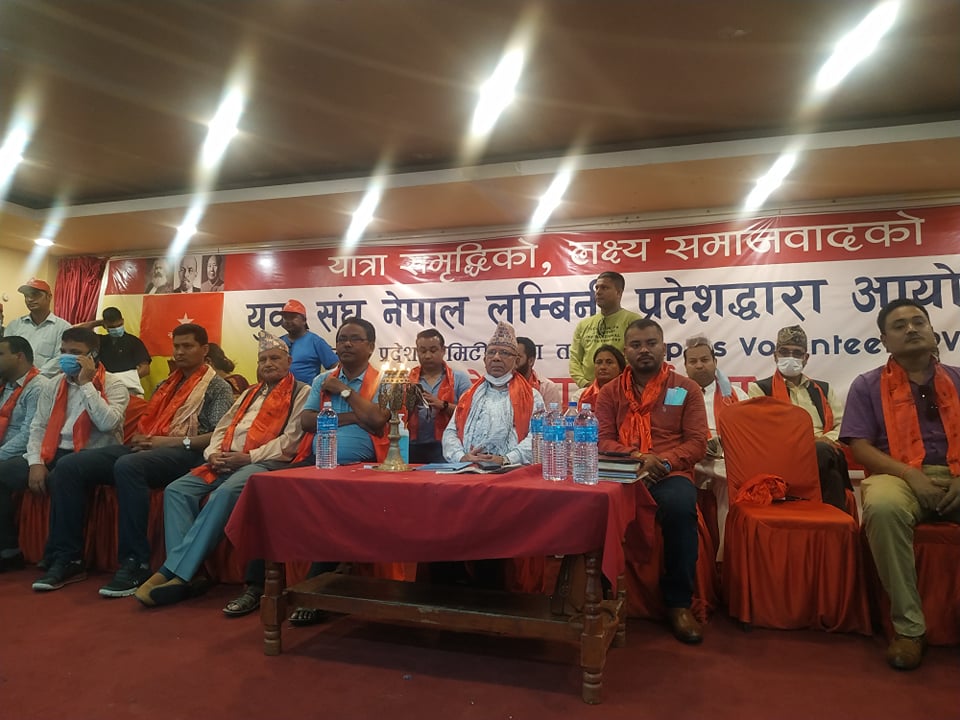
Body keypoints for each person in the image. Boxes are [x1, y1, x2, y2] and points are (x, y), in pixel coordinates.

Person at [40, 324, 235, 596]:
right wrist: (147, 440)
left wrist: (165, 442)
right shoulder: (165, 384)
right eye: (176, 346)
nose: (179, 352)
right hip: (149, 448)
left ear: (204, 350)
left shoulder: (217, 387)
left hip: (189, 453)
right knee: (69, 466)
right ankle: (68, 557)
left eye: (187, 346)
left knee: (129, 465)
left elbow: (219, 435)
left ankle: (136, 562)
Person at [223, 318, 391, 621]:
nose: (346, 344)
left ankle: (314, 591)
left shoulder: (382, 381)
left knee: (333, 504)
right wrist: (357, 416)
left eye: (354, 339)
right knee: (266, 494)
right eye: (341, 339)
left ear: (370, 346)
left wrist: (343, 391)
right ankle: (256, 586)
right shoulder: (322, 379)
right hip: (317, 461)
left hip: (360, 468)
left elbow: (379, 420)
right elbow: (308, 421)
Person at [134, 331, 313, 608]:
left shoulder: (303, 392)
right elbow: (222, 428)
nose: (268, 364)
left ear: (288, 362)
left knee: (225, 493)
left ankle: (173, 572)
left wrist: (247, 457)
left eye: (275, 358)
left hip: (264, 463)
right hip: (226, 459)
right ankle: (191, 575)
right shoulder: (249, 393)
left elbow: (290, 442)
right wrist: (213, 454)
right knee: (177, 490)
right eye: (263, 359)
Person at [841, 299, 960, 671]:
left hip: (956, 473)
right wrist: (910, 475)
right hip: (898, 476)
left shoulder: (958, 379)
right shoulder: (866, 385)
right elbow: (860, 446)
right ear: (884, 341)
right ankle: (909, 630)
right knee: (882, 507)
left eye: (918, 321)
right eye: (899, 325)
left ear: (932, 330)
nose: (911, 329)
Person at [595, 318, 707, 644]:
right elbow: (602, 439)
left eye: (650, 343)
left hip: (669, 472)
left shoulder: (686, 389)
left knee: (681, 507)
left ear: (664, 347)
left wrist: (665, 461)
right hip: (623, 471)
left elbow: (697, 442)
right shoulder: (610, 392)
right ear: (626, 351)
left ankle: (678, 603)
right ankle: (600, 595)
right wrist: (638, 456)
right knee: (590, 504)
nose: (644, 350)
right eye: (636, 345)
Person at [25, 328, 129, 591]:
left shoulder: (114, 384)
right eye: (63, 351)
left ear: (93, 356)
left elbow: (107, 424)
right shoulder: (52, 384)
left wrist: (86, 384)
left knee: (65, 469)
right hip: (56, 450)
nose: (66, 358)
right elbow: (38, 427)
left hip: (101, 454)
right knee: (10, 471)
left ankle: (69, 558)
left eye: (76, 353)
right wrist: (35, 463)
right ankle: (11, 550)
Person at [748, 325, 848, 510]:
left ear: (806, 358)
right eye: (784, 352)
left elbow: (842, 425)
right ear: (775, 355)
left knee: (824, 453)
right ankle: (836, 520)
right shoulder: (759, 389)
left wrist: (827, 440)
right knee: (830, 471)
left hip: (825, 451)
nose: (790, 357)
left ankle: (831, 520)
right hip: (783, 455)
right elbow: (762, 431)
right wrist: (811, 444)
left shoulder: (824, 389)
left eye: (797, 353)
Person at [442, 321, 545, 467]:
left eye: (504, 353)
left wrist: (506, 459)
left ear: (516, 362)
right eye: (491, 352)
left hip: (511, 472)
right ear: (485, 360)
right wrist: (461, 457)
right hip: (469, 469)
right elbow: (451, 432)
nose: (496, 357)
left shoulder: (532, 397)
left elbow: (538, 435)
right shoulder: (468, 396)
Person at [0, 336, 50, 572]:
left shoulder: (38, 386)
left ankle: (9, 551)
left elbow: (29, 435)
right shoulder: (6, 384)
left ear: (18, 356)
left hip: (27, 453)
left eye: (1, 354)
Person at [406, 329, 471, 464]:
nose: (427, 356)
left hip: (447, 446)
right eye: (423, 351)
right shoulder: (407, 380)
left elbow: (470, 414)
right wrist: (408, 405)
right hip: (411, 445)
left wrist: (443, 405)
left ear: (443, 350)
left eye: (433, 350)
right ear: (417, 352)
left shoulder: (459, 379)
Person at [569, 271, 640, 388]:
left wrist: (620, 385)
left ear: (619, 292)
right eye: (596, 288)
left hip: (623, 389)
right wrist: (585, 384)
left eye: (604, 288)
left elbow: (637, 358)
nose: (598, 292)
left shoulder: (633, 321)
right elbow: (574, 359)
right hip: (589, 390)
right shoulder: (583, 325)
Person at [683, 334, 748, 454]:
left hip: (730, 459)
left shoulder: (737, 395)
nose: (699, 366)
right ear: (685, 366)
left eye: (704, 360)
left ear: (715, 362)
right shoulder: (675, 396)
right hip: (688, 460)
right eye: (693, 361)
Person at [75, 307, 152, 397]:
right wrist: (98, 323)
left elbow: (145, 369)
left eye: (119, 325)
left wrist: (115, 379)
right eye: (112, 327)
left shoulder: (134, 342)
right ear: (105, 326)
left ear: (122, 321)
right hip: (104, 389)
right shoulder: (100, 340)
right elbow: (75, 332)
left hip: (128, 389)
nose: (116, 329)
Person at [2, 279, 72, 376]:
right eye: (26, 296)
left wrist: (33, 377)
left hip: (47, 382)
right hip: (14, 380)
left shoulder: (63, 328)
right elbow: (5, 354)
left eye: (35, 294)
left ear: (49, 297)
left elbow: (60, 358)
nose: (29, 299)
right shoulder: (14, 325)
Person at [278, 299, 338, 384]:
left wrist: (322, 385)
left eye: (292, 317)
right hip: (280, 390)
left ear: (304, 321)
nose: (288, 321)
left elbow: (335, 367)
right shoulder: (278, 342)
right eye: (285, 317)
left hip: (307, 391)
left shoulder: (316, 341)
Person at [516, 336, 562, 409]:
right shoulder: (501, 385)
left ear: (531, 361)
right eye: (510, 356)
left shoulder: (547, 388)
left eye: (518, 357)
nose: (513, 362)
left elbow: (553, 415)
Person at [578, 344, 626, 411]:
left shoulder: (630, 393)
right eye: (599, 362)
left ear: (620, 368)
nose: (603, 367)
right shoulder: (581, 395)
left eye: (609, 362)